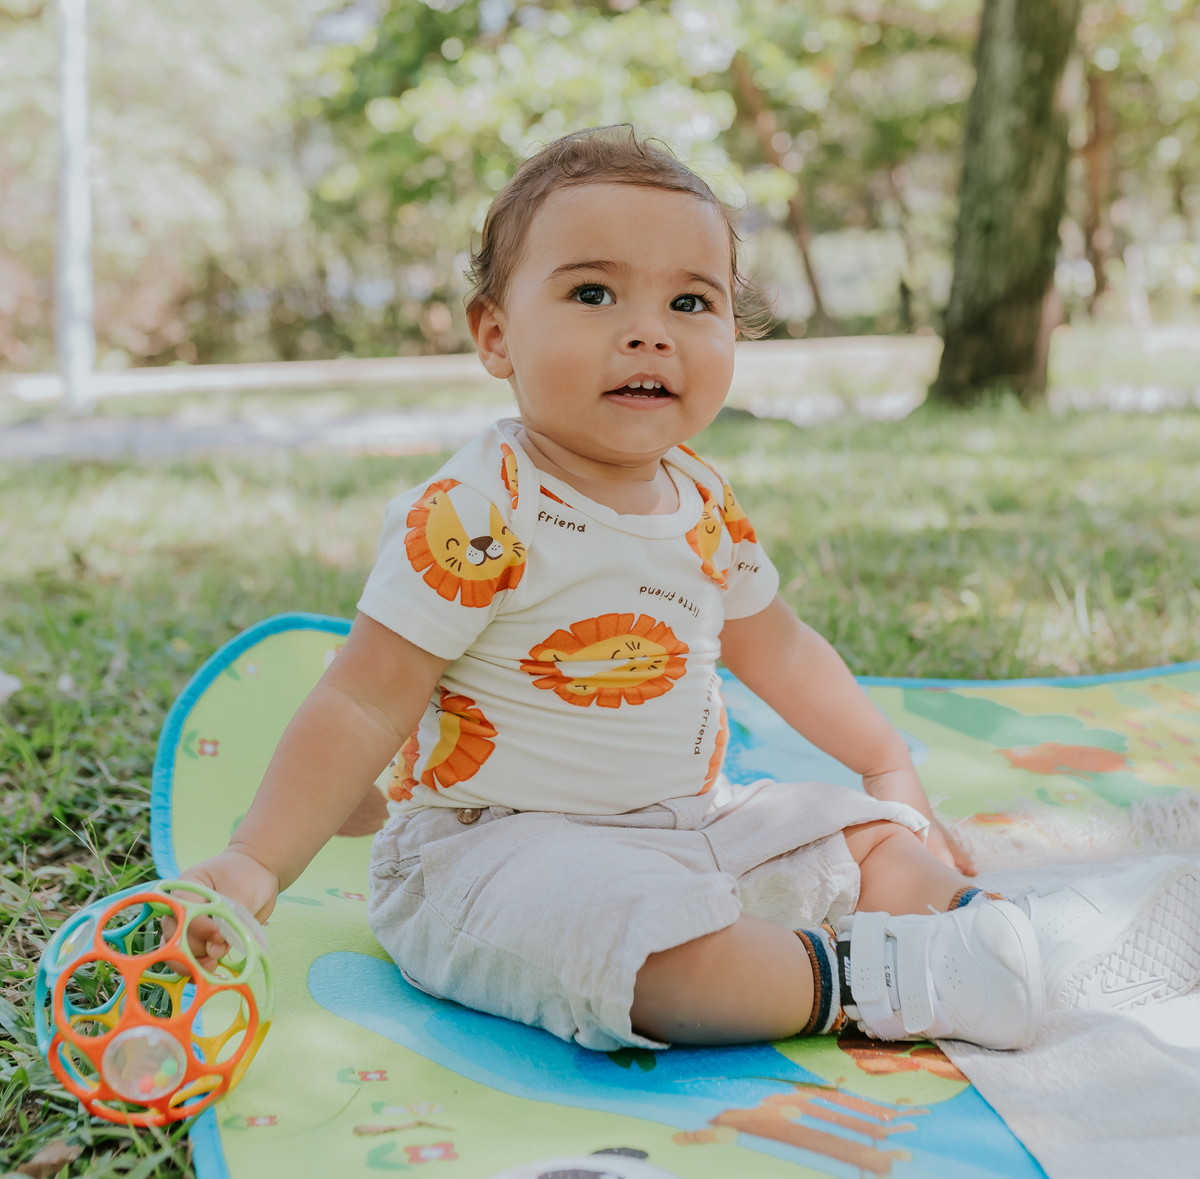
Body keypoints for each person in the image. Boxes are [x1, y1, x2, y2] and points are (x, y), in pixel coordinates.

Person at [182, 127, 1200, 1053]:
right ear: (494, 335)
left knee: (866, 837)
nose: (648, 332)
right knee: (638, 949)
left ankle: (987, 936)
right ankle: (876, 978)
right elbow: (363, 696)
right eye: (593, 294)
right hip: (499, 847)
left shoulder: (702, 503)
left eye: (690, 301)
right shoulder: (477, 510)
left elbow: (783, 649)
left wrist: (884, 759)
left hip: (694, 824)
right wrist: (257, 862)